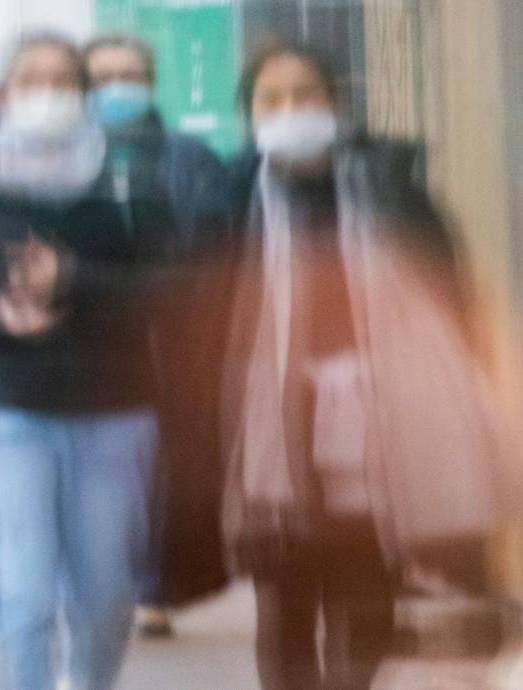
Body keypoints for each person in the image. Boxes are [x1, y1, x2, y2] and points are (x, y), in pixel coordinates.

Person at [218, 44, 523, 690]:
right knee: (286, 603)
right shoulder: (230, 200)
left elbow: (450, 290)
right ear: (250, 116)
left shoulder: (390, 189)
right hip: (275, 428)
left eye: (305, 95)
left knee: (364, 591)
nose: (291, 110)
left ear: (335, 104)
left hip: (377, 423)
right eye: (272, 100)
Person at [0, 34, 159, 690]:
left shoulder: (123, 180)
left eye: (62, 82)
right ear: (3, 94)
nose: (47, 94)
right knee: (23, 593)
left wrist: (74, 278)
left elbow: (168, 289)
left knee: (103, 600)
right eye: (31, 80)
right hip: (6, 406)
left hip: (112, 409)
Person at [81, 34, 235, 638]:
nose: (117, 86)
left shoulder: (187, 157)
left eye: (129, 74)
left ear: (149, 80)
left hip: (170, 337)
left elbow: (214, 244)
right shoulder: (68, 155)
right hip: (94, 341)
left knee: (159, 469)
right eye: (102, 76)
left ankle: (150, 586)